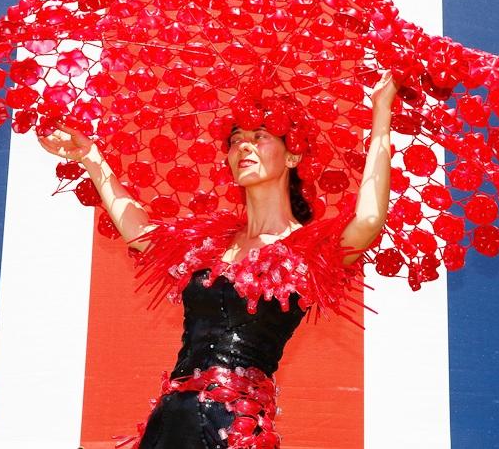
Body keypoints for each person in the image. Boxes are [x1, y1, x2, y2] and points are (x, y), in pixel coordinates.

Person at [37, 70, 399, 448]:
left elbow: (370, 219)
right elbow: (142, 234)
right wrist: (92, 157)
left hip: (234, 429)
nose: (244, 147)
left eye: (260, 137)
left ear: (292, 153)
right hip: (170, 423)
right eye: (236, 140)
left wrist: (381, 112)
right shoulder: (209, 242)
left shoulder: (308, 249)